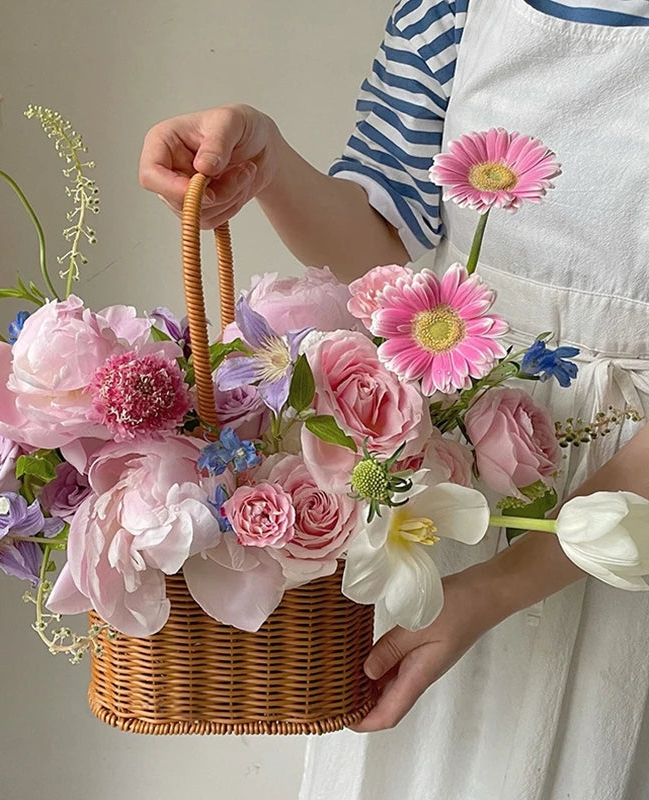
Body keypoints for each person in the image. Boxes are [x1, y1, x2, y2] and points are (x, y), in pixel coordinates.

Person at [139, 1, 649, 797]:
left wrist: (494, 591)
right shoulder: (452, 11)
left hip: (628, 511)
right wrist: (268, 163)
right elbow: (379, 245)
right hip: (457, 472)